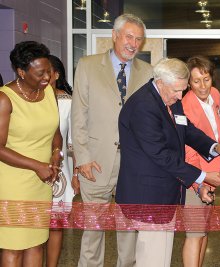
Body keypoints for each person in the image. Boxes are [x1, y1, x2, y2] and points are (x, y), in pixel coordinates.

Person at [115, 57, 220, 267]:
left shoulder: (168, 98)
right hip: (149, 197)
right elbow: (161, 154)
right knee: (152, 259)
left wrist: (215, 147)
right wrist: (202, 176)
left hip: (164, 195)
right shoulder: (144, 106)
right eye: (177, 90)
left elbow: (187, 130)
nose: (181, 96)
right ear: (160, 82)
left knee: (159, 257)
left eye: (182, 90)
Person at [71, 14, 153, 267]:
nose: (133, 44)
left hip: (133, 167)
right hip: (95, 163)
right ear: (115, 36)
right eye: (129, 37)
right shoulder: (87, 65)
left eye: (139, 39)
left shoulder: (148, 72)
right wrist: (82, 158)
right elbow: (79, 115)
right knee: (92, 232)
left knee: (129, 232)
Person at [0, 41, 62, 266]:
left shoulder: (48, 91)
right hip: (13, 181)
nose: (47, 77)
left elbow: (55, 129)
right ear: (21, 72)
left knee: (36, 242)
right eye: (40, 73)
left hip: (41, 180)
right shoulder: (5, 98)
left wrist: (56, 152)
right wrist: (36, 165)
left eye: (49, 71)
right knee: (14, 246)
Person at [181, 56, 220, 267]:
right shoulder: (185, 105)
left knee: (204, 231)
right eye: (196, 81)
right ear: (189, 82)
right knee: (194, 233)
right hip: (195, 177)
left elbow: (217, 135)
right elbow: (188, 151)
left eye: (206, 79)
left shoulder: (215, 95)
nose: (202, 86)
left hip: (212, 176)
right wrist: (198, 184)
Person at [46, 55, 79, 267]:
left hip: (61, 174)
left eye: (47, 72)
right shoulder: (26, 100)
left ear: (57, 75)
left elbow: (74, 142)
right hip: (30, 171)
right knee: (33, 225)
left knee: (56, 225)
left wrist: (76, 174)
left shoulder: (67, 101)